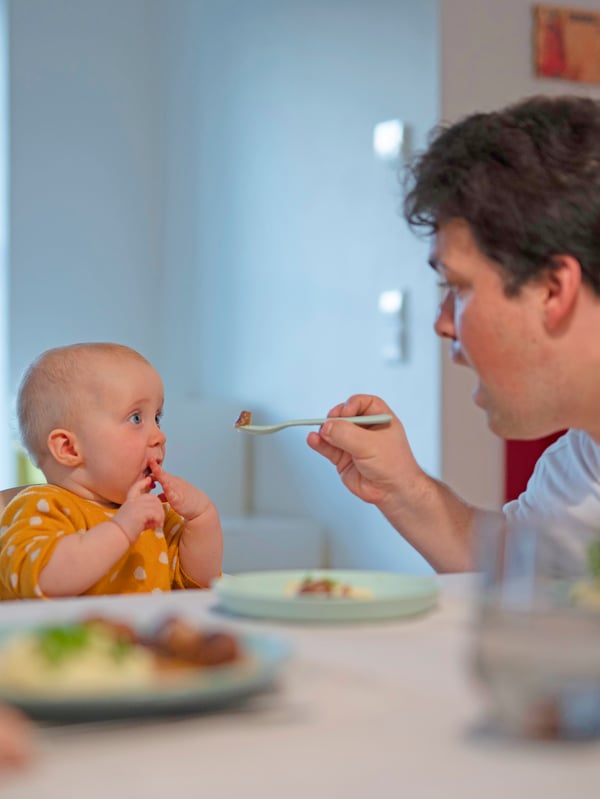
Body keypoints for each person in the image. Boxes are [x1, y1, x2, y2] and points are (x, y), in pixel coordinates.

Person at [308, 94, 600, 577]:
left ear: (553, 289)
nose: (443, 323)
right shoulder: (583, 455)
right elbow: (517, 569)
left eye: (458, 288)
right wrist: (404, 487)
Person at [0, 342, 223, 599]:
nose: (160, 436)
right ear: (70, 448)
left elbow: (198, 582)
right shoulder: (41, 507)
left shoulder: (151, 515)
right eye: (136, 418)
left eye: (157, 417)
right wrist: (121, 530)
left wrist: (202, 518)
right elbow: (42, 580)